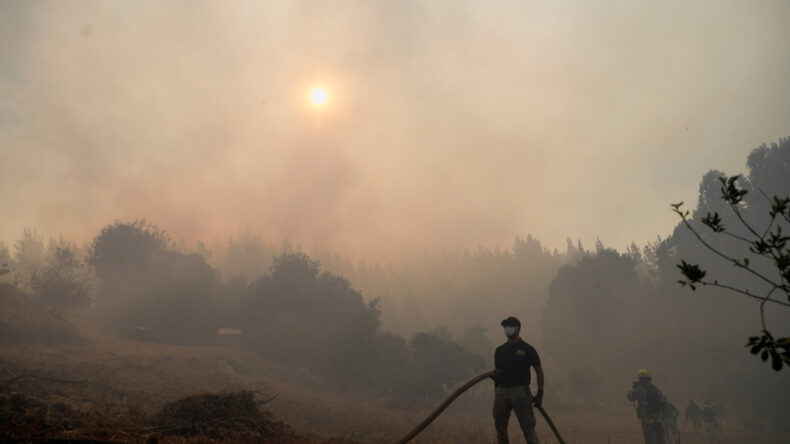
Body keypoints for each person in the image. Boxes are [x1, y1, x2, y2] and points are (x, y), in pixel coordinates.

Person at [492, 316, 544, 444]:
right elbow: (497, 373)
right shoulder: (499, 351)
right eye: (505, 326)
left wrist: (540, 393)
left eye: (510, 326)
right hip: (501, 392)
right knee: (500, 429)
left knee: (528, 429)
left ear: (518, 328)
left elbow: (539, 371)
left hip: (521, 392)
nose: (507, 328)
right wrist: (497, 391)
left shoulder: (528, 349)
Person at [627, 369, 666, 444]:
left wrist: (633, 389)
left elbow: (631, 397)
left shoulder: (640, 389)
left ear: (640, 379)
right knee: (660, 440)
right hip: (659, 419)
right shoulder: (656, 389)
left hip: (647, 419)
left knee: (650, 440)